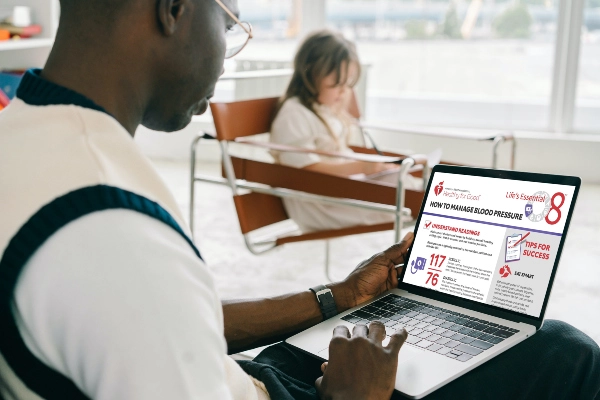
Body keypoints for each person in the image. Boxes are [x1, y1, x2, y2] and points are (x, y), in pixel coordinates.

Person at [0, 1, 598, 400]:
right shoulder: (109, 222)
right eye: (229, 19)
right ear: (174, 8)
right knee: (567, 355)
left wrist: (338, 297)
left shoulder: (26, 136)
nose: (229, 47)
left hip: (253, 375)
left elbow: (180, 319)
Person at [269, 30, 421, 233]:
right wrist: (360, 166)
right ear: (310, 73)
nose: (344, 91)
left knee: (408, 184)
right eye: (337, 83)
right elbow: (304, 171)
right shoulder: (294, 114)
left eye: (348, 83)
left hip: (341, 191)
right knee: (408, 192)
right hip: (320, 204)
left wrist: (371, 168)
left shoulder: (323, 108)